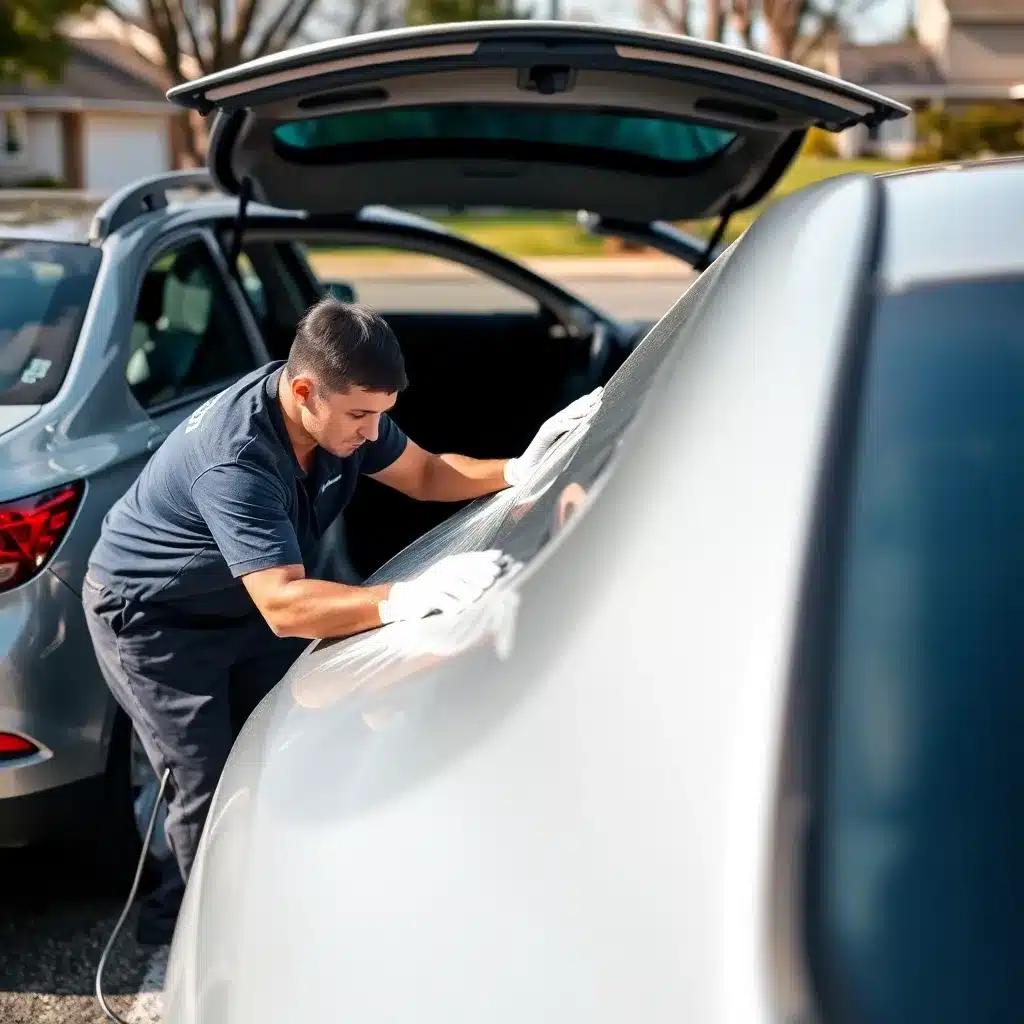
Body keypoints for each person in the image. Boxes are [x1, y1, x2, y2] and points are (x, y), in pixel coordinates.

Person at [83, 297, 601, 943]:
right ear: (304, 391)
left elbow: (426, 473)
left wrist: (520, 469)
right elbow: (283, 606)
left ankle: (283, 890)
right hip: (155, 617)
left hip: (239, 597)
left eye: (381, 416)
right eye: (360, 416)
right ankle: (204, 938)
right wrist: (401, 598)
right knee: (208, 782)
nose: (371, 431)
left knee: (297, 733)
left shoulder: (344, 407)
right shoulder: (237, 461)